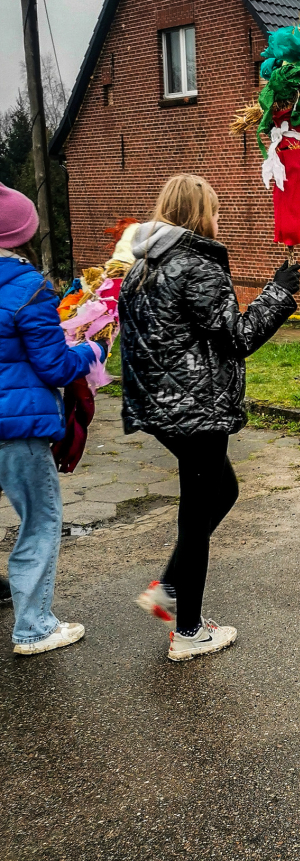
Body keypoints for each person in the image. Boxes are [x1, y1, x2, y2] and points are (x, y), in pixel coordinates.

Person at [118, 174, 300, 662]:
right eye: (215, 212)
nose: (218, 221)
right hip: (195, 410)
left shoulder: (142, 266)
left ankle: (169, 589)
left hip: (159, 407)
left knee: (225, 490)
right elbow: (238, 337)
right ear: (199, 215)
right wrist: (278, 295)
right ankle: (189, 631)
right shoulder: (197, 265)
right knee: (196, 516)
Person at [0, 184, 106, 655]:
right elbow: (55, 366)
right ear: (22, 234)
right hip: (16, 428)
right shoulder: (29, 288)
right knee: (40, 521)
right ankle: (34, 627)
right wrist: (92, 348)